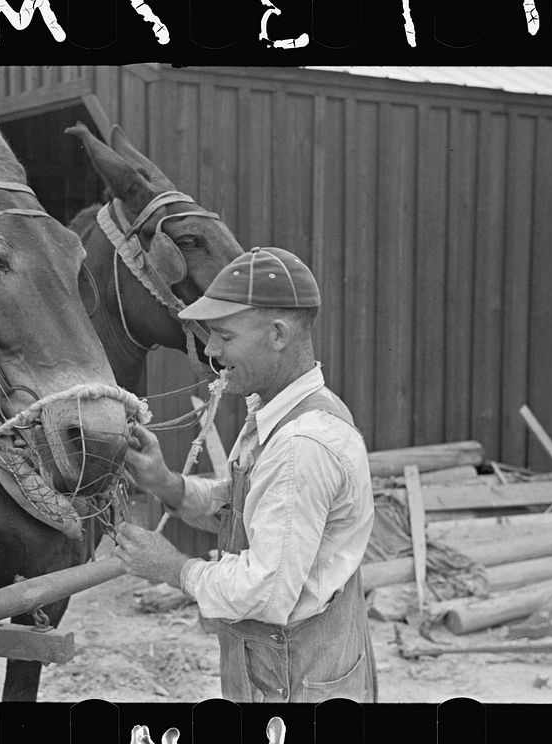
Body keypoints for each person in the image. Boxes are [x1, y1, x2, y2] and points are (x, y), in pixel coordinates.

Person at [114, 246, 378, 703]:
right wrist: (165, 483)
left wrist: (173, 568)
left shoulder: (301, 446)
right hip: (283, 674)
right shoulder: (281, 413)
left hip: (297, 687)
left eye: (224, 336)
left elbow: (265, 590)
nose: (211, 351)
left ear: (277, 334)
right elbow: (250, 510)